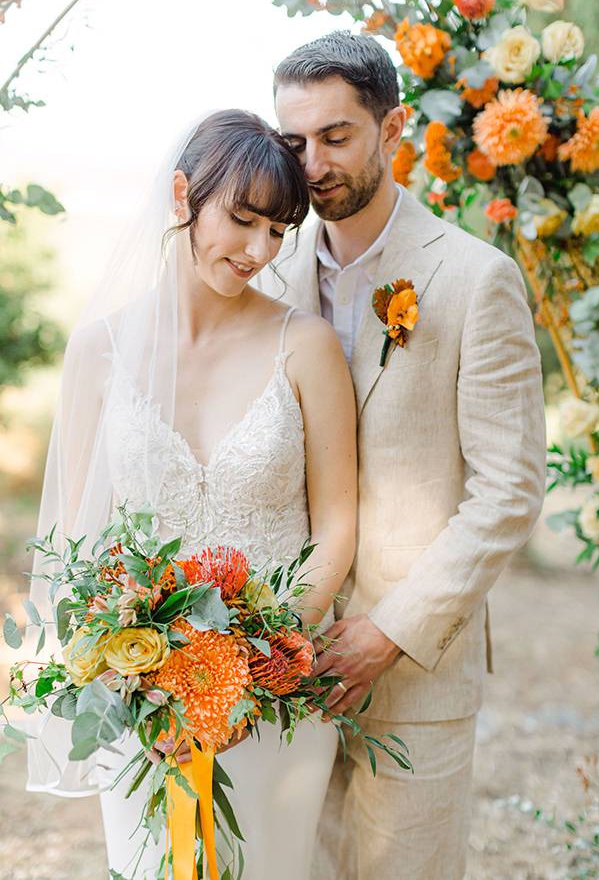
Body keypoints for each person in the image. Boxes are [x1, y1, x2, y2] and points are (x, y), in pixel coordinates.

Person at [26, 109, 357, 880]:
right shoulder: (99, 350)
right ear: (183, 196)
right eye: (242, 220)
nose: (257, 251)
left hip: (275, 698)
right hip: (143, 703)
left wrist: (254, 666)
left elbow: (338, 525)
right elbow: (80, 538)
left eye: (277, 230)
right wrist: (133, 672)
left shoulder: (304, 345)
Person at [256, 31, 547, 880]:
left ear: (393, 130)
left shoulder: (473, 279)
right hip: (280, 672)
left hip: (415, 678)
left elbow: (509, 491)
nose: (311, 165)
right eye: (294, 142)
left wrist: (390, 629)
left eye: (336, 137)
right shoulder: (266, 276)